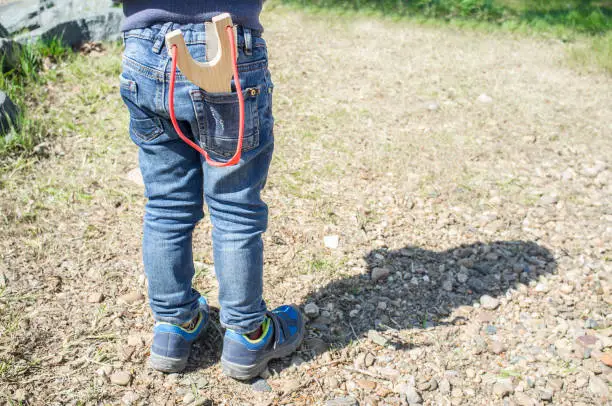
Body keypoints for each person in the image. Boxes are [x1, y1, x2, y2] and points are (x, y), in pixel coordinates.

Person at [119, 1, 304, 379]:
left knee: (167, 206)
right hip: (225, 47)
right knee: (235, 208)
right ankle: (247, 333)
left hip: (143, 47)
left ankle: (174, 325)